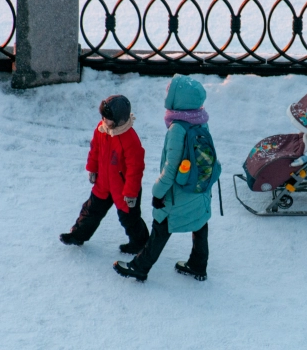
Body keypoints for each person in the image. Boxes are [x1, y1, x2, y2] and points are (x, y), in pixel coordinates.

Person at [114, 74, 213, 282]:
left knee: (162, 227)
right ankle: (198, 265)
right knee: (199, 223)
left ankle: (140, 267)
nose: (167, 94)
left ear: (179, 99)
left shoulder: (178, 128)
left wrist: (157, 193)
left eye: (170, 92)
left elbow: (170, 169)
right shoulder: (201, 120)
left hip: (177, 192)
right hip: (199, 189)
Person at [59, 95, 150, 253]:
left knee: (129, 218)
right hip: (103, 182)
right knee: (91, 210)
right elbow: (95, 150)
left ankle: (140, 242)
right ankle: (78, 235)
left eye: (107, 118)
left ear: (119, 119)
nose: (103, 120)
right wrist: (92, 169)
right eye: (102, 116)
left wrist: (131, 193)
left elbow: (135, 169)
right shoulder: (101, 129)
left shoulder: (130, 140)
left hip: (124, 188)